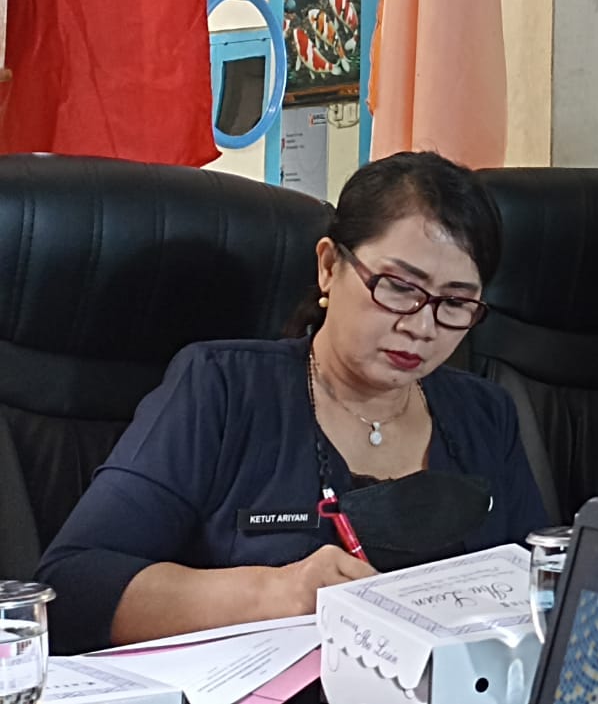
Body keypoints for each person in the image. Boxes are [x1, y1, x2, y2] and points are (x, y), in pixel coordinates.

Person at [38, 152, 547, 653]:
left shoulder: (485, 414)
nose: (421, 326)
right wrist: (274, 592)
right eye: (397, 287)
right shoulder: (223, 388)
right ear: (329, 266)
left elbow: (542, 585)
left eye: (454, 303)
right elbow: (71, 588)